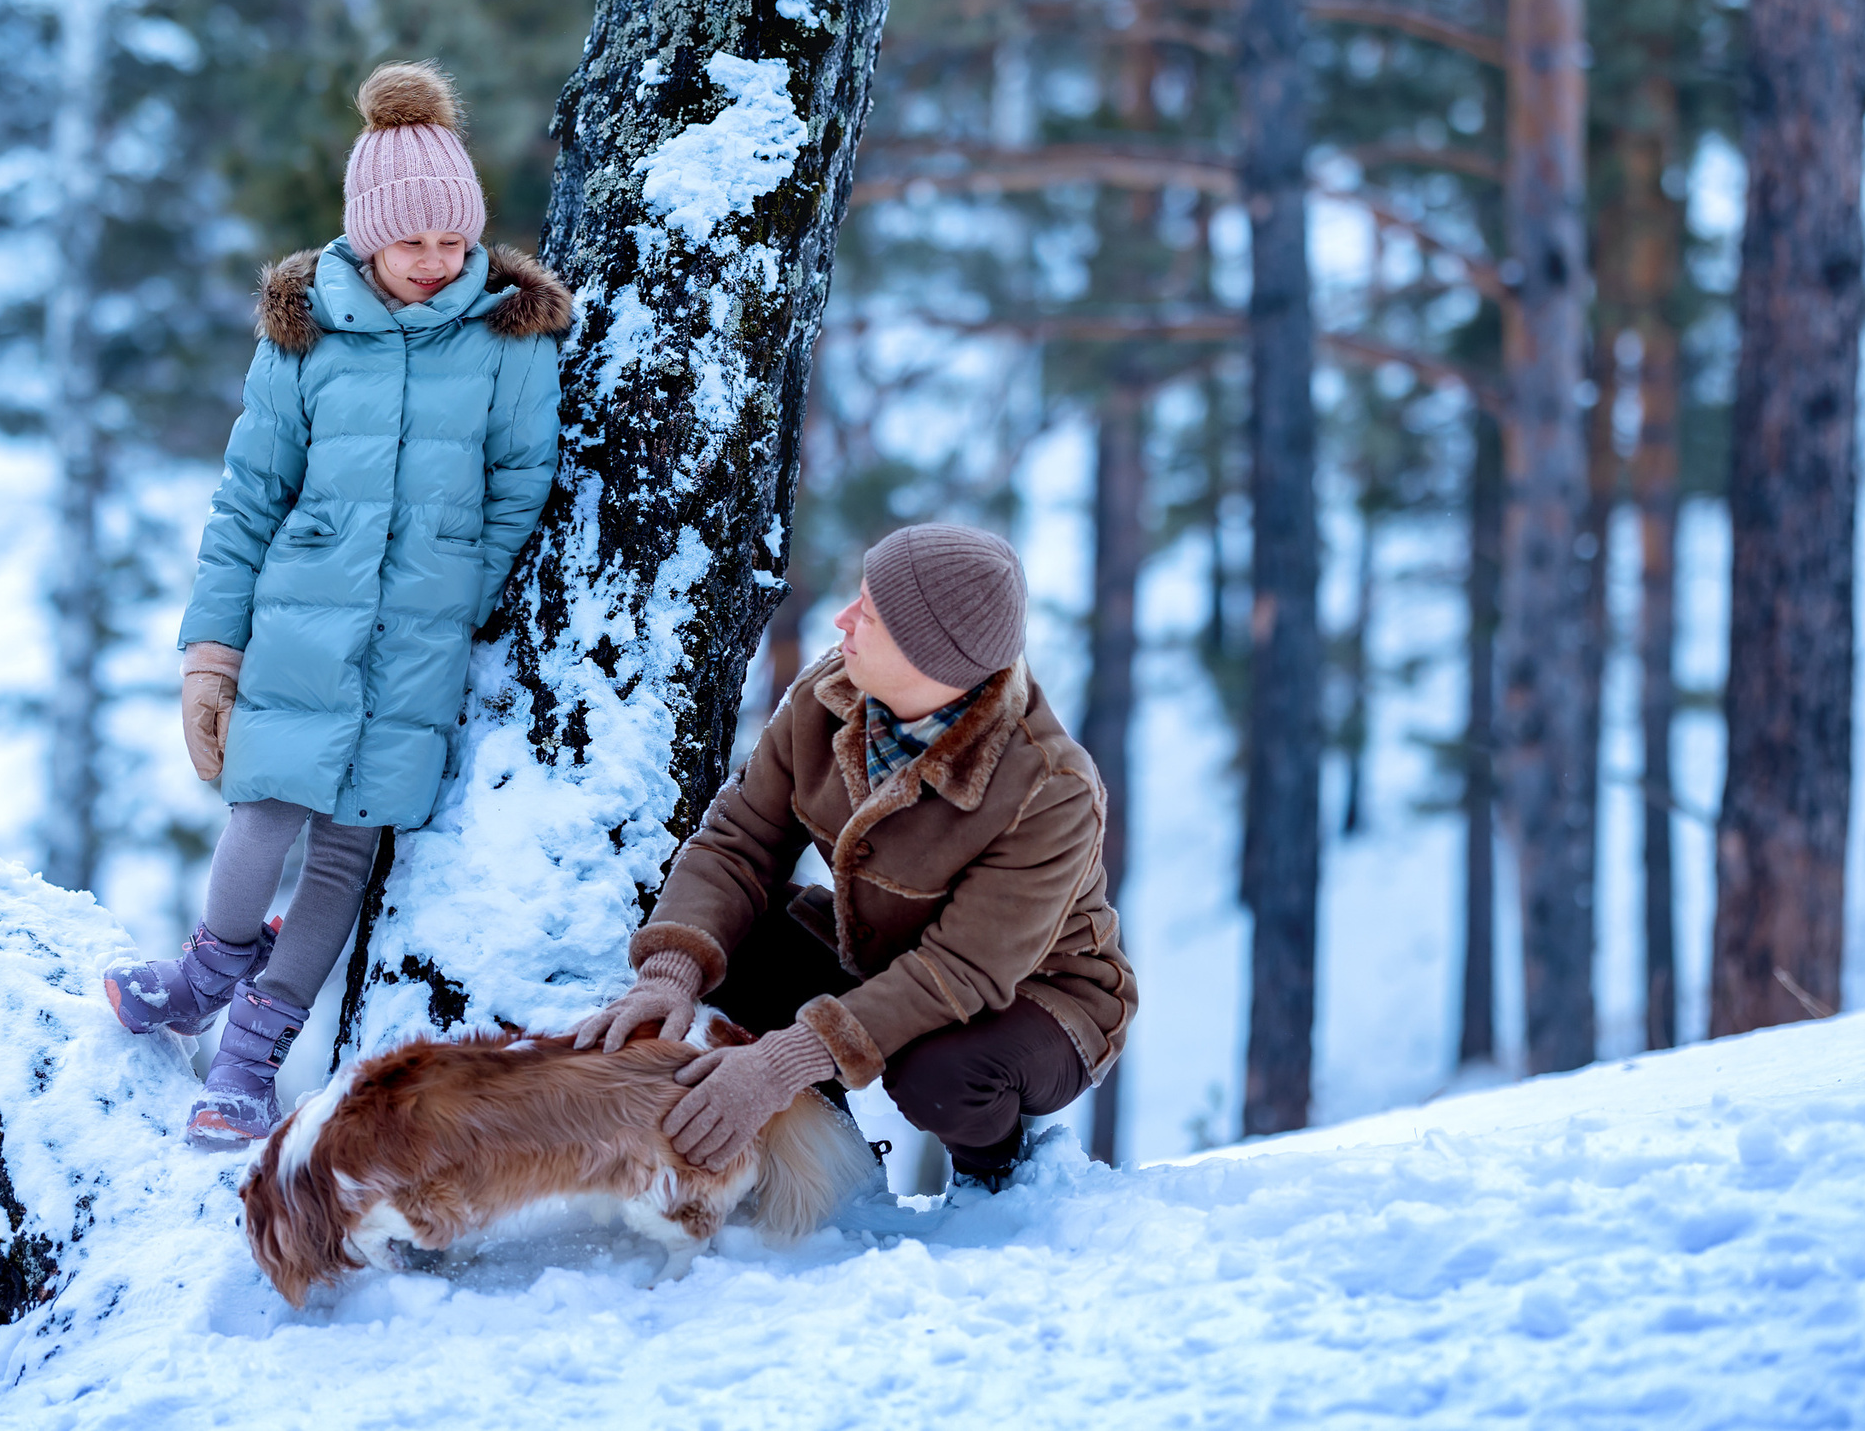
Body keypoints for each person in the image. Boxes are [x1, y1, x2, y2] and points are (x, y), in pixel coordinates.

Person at [104, 60, 570, 1142]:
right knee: (263, 805)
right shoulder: (305, 331)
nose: (438, 262)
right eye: (414, 243)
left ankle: (251, 1060)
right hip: (303, 619)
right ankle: (202, 974)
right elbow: (248, 495)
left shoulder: (507, 336)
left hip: (419, 638)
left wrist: (461, 585)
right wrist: (211, 653)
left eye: (455, 242)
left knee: (350, 849)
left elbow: (520, 484)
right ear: (367, 234)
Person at [576, 524, 1136, 1188]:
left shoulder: (1050, 789)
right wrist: (669, 972)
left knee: (936, 1077)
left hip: (1034, 997)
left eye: (868, 613)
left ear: (931, 655)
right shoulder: (825, 698)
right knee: (728, 944)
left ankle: (998, 1180)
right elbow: (738, 842)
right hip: (878, 956)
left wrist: (784, 1061)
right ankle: (836, 1163)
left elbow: (960, 972)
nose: (843, 619)